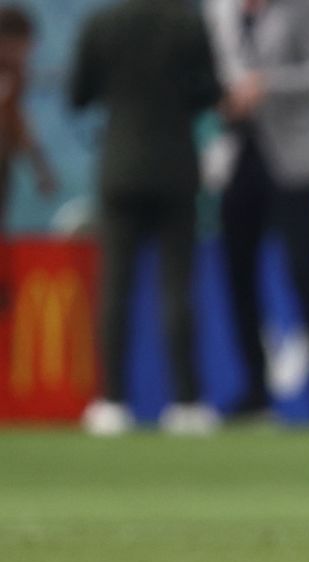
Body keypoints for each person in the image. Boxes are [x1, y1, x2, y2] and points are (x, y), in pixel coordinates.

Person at [70, 0, 223, 436]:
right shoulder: (188, 25)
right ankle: (187, 403)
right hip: (175, 166)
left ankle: (111, 403)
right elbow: (210, 92)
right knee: (177, 287)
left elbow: (78, 95)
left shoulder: (101, 24)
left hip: (119, 166)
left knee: (115, 288)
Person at [204, 0, 309, 416]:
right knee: (238, 274)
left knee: (302, 272)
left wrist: (266, 84)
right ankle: (255, 387)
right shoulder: (220, 11)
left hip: (294, 158)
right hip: (238, 155)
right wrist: (221, 96)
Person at [0, 5, 55, 234]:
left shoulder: (15, 76)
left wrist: (40, 166)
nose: (28, 53)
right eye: (25, 46)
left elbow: (18, 119)